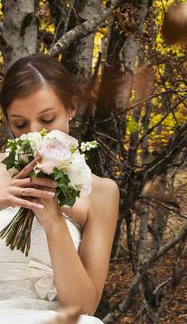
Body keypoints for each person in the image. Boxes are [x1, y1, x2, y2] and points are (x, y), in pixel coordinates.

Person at [0, 54, 119, 323]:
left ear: (71, 107)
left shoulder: (101, 192)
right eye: (20, 124)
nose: (34, 133)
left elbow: (84, 307)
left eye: (47, 119)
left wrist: (53, 221)